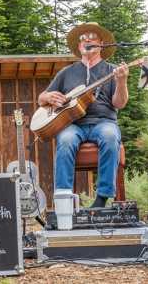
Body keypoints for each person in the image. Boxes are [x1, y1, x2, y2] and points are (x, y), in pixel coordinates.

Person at [37, 22, 129, 208]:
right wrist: (48, 96)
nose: (87, 39)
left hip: (104, 122)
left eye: (92, 37)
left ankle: (102, 198)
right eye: (83, 38)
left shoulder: (111, 70)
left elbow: (119, 103)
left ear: (101, 44)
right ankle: (63, 198)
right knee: (65, 140)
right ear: (79, 47)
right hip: (73, 123)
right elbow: (41, 99)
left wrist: (121, 82)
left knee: (110, 136)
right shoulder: (66, 72)